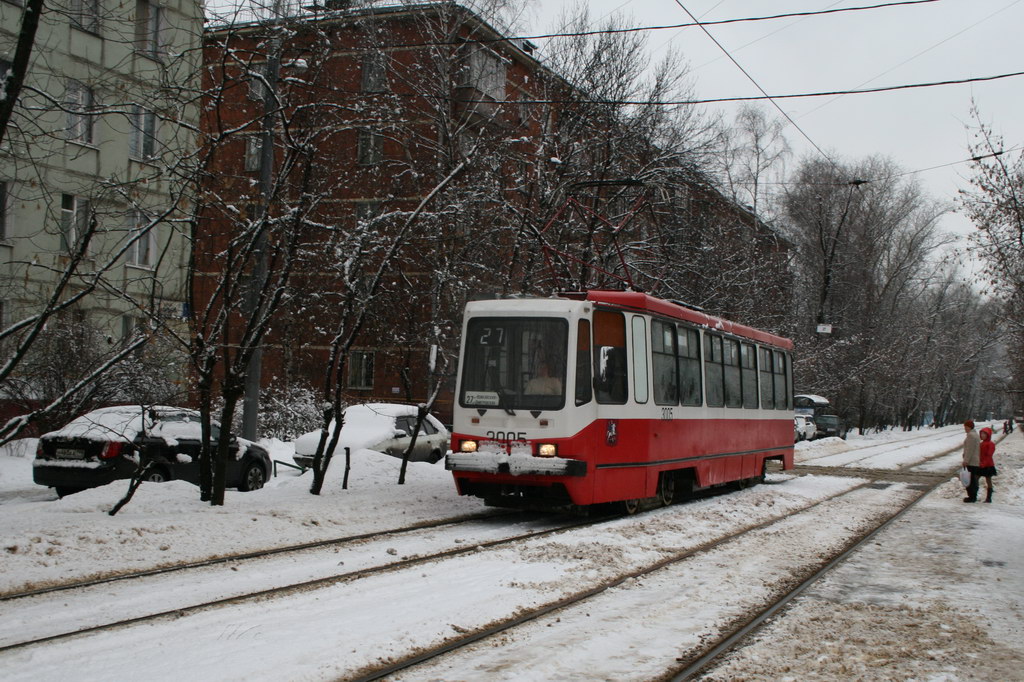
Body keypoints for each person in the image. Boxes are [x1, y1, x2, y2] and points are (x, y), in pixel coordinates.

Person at [961, 420, 981, 503]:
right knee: (973, 479)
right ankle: (973, 496)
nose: (965, 428)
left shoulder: (971, 436)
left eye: (966, 427)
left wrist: (966, 460)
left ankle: (971, 496)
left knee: (970, 480)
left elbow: (970, 450)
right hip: (974, 461)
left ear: (970, 427)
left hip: (971, 461)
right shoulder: (975, 434)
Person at [978, 426, 998, 503]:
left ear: (988, 435)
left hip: (988, 465)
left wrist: (983, 463)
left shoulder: (990, 444)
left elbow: (989, 455)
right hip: (981, 464)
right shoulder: (982, 443)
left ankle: (989, 497)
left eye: (984, 434)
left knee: (988, 480)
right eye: (981, 434)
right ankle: (974, 494)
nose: (982, 435)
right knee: (976, 478)